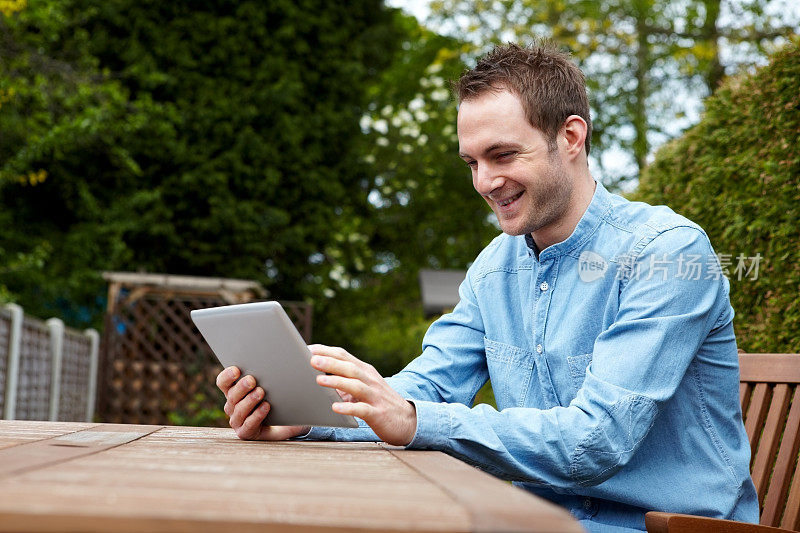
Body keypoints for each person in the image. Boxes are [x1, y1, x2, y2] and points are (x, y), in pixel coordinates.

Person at [216, 42, 758, 532]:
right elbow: (426, 390)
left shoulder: (667, 253)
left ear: (570, 137)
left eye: (502, 155)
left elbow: (597, 440)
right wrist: (310, 418)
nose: (484, 182)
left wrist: (411, 417)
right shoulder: (495, 267)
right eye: (472, 162)